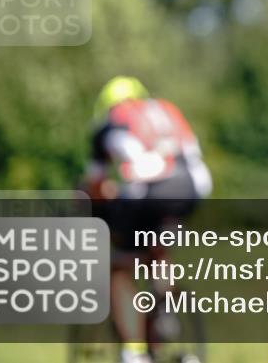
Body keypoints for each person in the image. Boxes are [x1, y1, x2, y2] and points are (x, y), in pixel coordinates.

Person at [83, 76, 212, 363]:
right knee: (157, 247)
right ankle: (165, 309)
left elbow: (95, 185)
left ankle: (134, 352)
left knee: (119, 267)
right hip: (194, 186)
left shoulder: (110, 120)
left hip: (152, 188)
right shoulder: (165, 109)